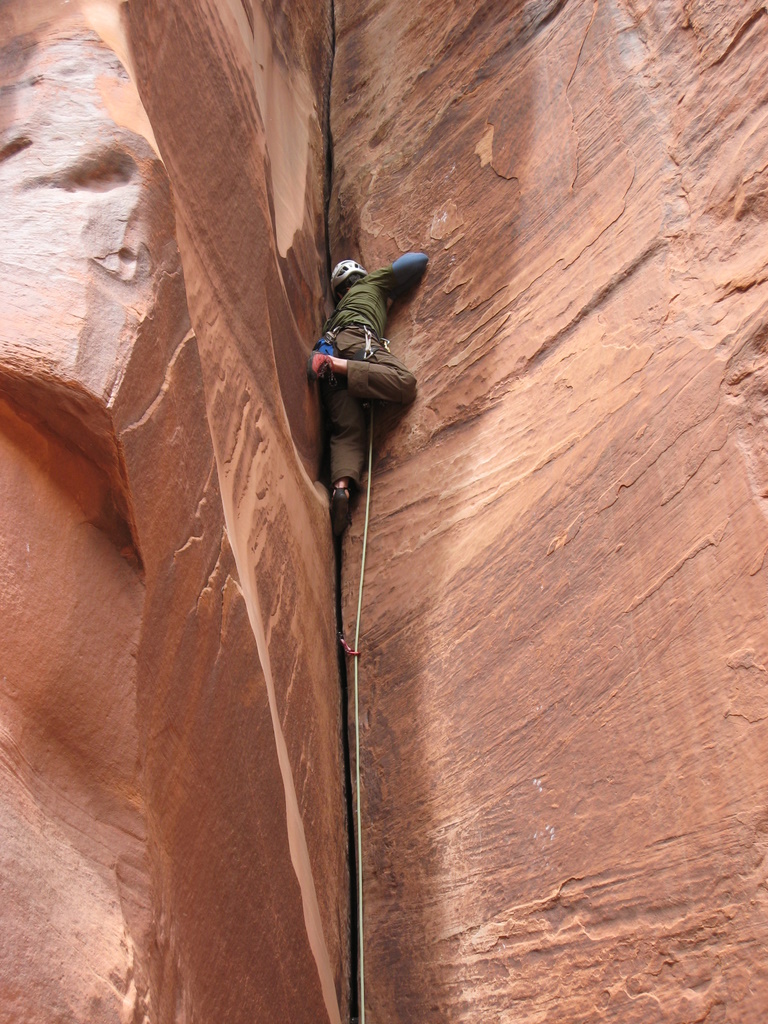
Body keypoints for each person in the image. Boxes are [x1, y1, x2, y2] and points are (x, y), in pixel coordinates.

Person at [307, 252, 428, 535]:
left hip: (330, 353)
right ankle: (337, 366)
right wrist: (390, 283)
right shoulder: (371, 284)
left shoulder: (332, 319)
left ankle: (341, 490)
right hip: (356, 345)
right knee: (404, 382)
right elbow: (417, 262)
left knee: (348, 430)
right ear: (358, 278)